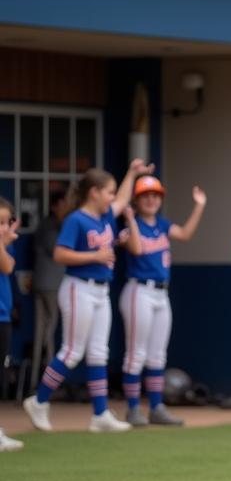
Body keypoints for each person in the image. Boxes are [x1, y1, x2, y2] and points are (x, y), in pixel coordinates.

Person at [23, 160, 152, 433]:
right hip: (77, 287)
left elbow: (124, 199)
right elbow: (60, 254)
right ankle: (39, 401)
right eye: (109, 192)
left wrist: (131, 172)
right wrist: (94, 255)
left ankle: (100, 413)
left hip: (101, 289)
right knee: (71, 351)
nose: (113, 197)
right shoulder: (76, 219)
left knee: (98, 353)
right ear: (94, 192)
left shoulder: (104, 217)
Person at [119, 176, 207, 427]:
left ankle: (156, 406)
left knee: (157, 355)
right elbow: (135, 249)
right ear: (137, 199)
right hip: (139, 291)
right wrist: (130, 219)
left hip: (161, 292)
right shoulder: (130, 226)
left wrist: (199, 205)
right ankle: (134, 408)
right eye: (146, 195)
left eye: (155, 195)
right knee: (136, 354)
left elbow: (186, 234)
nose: (151, 199)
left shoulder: (162, 225)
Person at [30, 188, 71, 388]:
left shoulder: (54, 224)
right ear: (55, 206)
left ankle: (41, 381)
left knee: (45, 332)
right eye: (63, 204)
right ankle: (46, 382)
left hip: (47, 284)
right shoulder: (50, 225)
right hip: (50, 284)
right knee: (46, 333)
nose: (66, 208)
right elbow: (59, 251)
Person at [0, 198, 24, 451]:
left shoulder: (6, 245)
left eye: (7, 222)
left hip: (3, 316)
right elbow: (5, 265)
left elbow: (8, 265)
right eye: (0, 223)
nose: (5, 228)